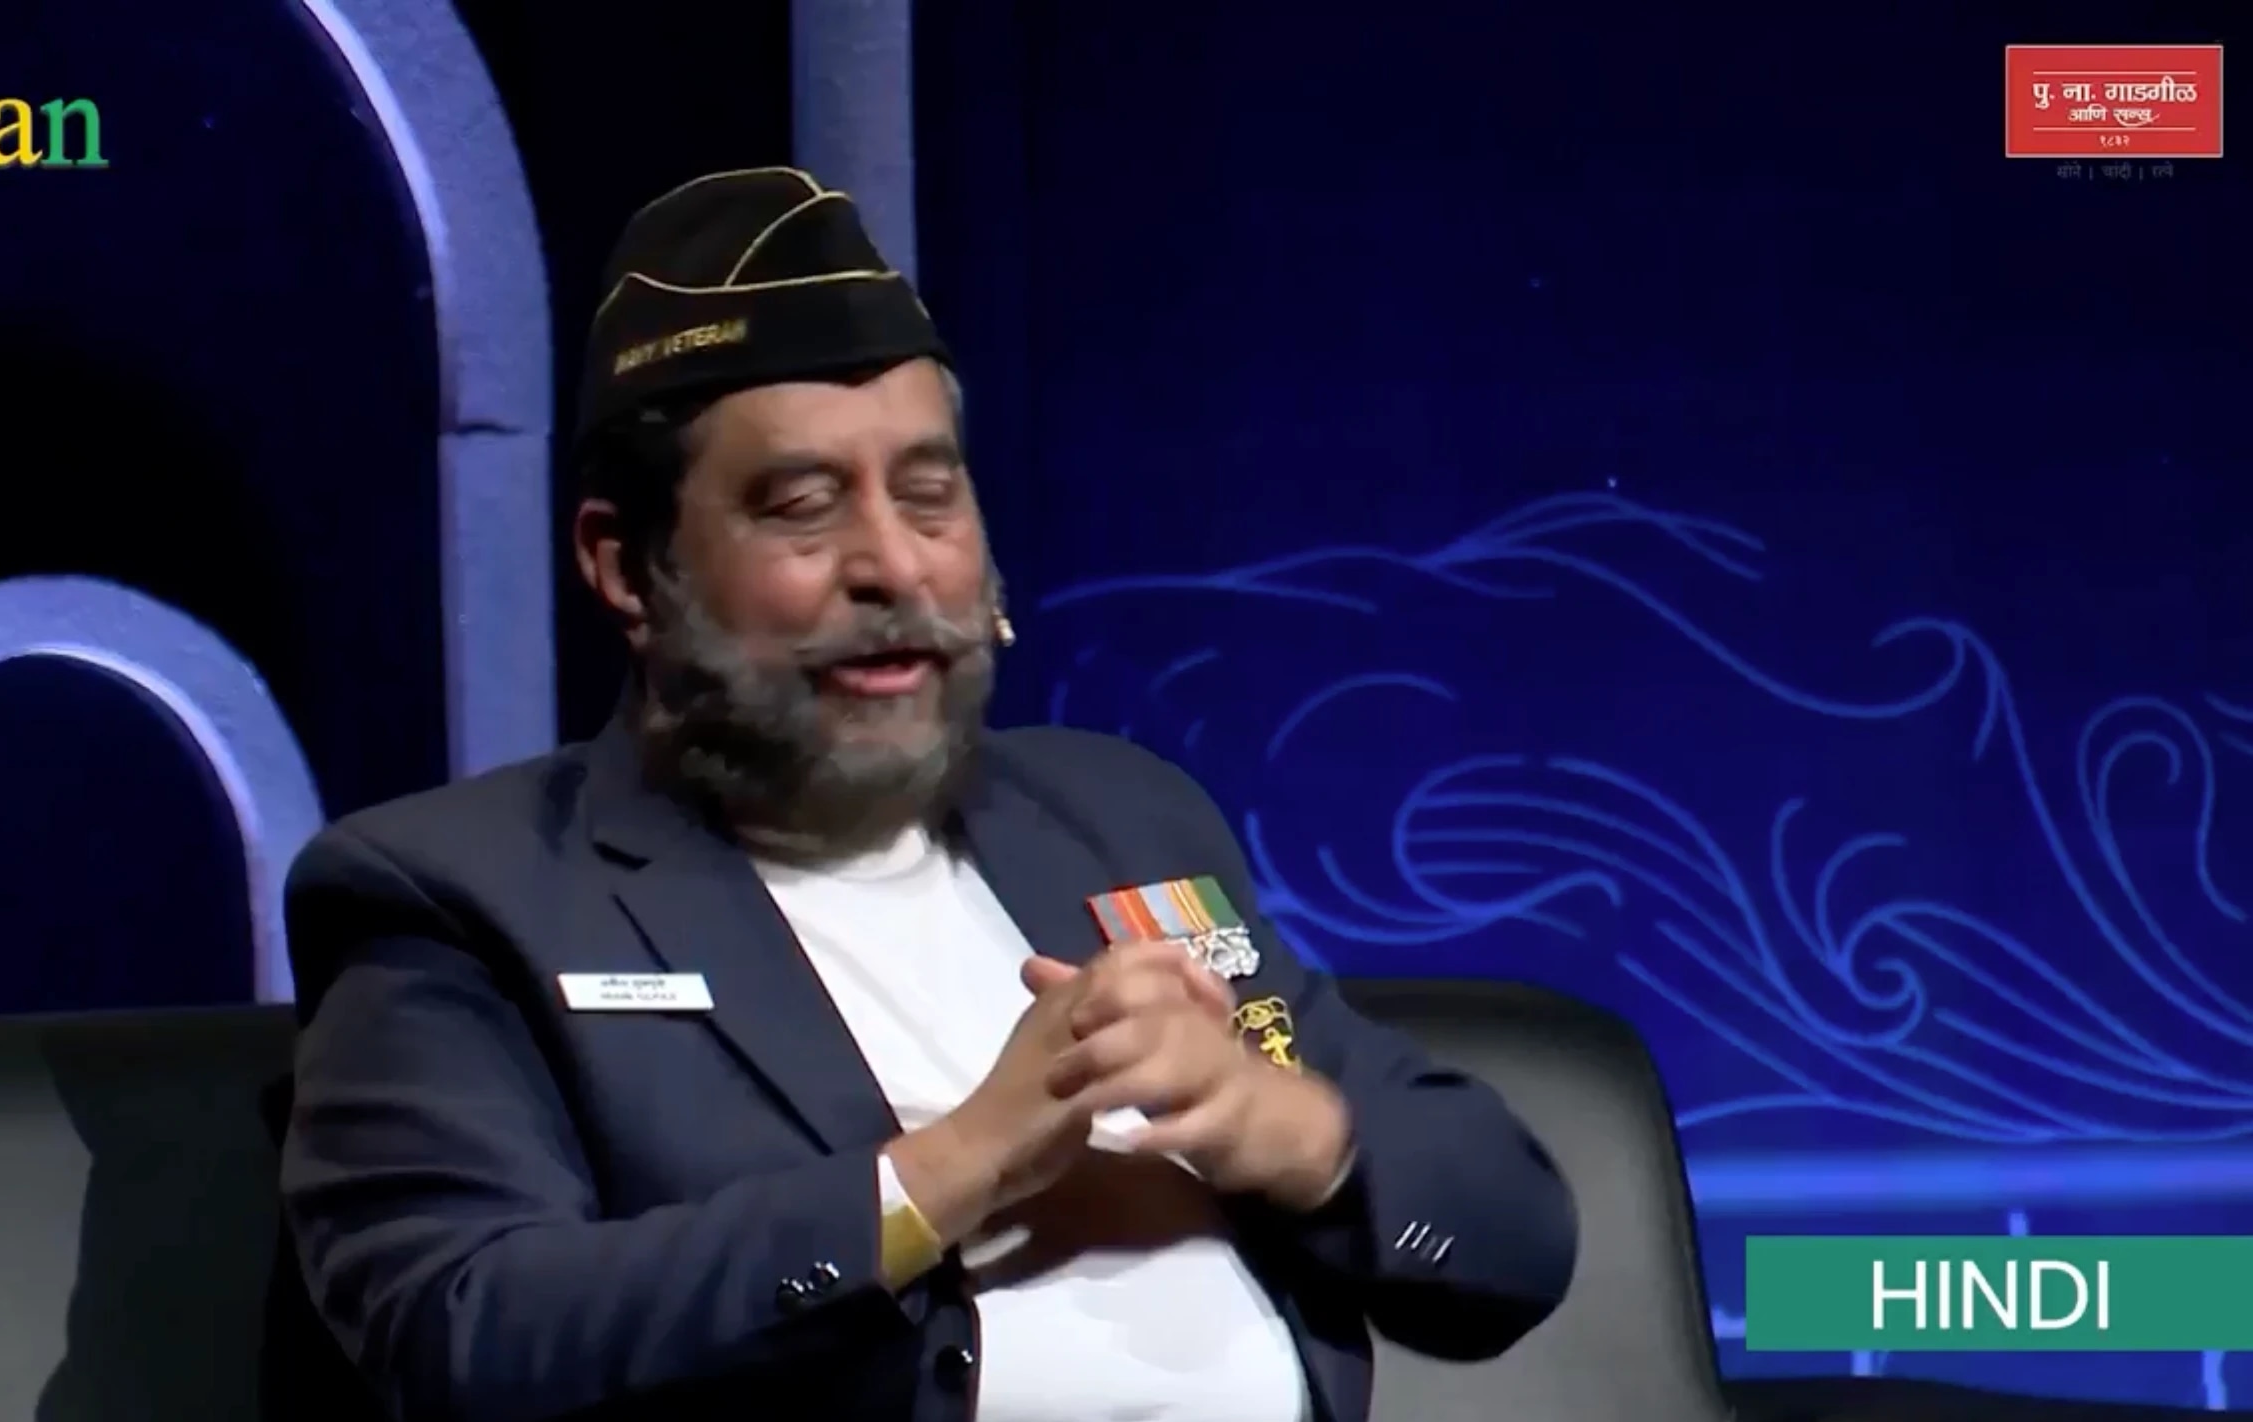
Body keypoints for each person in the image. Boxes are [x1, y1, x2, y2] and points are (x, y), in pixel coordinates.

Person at [279, 166, 1577, 1422]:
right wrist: (943, 1177)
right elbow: (467, 1337)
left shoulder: (1116, 817)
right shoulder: (466, 896)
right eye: (801, 507)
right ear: (626, 565)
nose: (891, 563)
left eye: (928, 492)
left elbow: (1505, 1242)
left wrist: (1282, 1132)